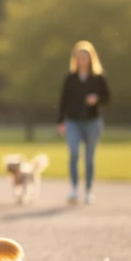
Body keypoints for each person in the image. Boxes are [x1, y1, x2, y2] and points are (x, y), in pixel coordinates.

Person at [57, 41, 110, 205]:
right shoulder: (70, 79)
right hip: (73, 121)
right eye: (79, 57)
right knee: (73, 153)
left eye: (85, 57)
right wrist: (60, 121)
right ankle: (74, 189)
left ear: (90, 58)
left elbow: (108, 98)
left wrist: (96, 99)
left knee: (89, 157)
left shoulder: (98, 78)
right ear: (75, 59)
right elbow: (63, 101)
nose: (82, 60)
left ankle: (88, 190)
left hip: (92, 121)